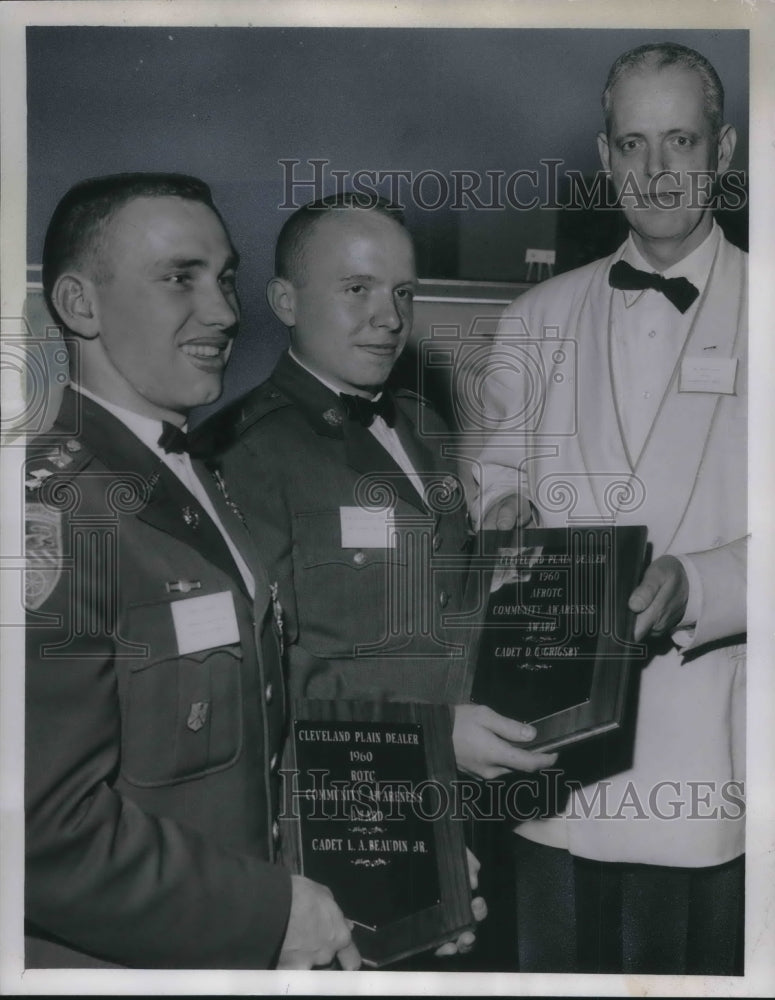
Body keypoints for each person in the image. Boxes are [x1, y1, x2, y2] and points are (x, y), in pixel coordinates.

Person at [198, 194, 558, 964]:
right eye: (356, 289)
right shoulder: (243, 453)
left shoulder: (418, 430)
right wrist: (432, 730)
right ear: (286, 301)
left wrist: (497, 570)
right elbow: (256, 682)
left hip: (448, 813)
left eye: (402, 291)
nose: (389, 317)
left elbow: (434, 610)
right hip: (331, 832)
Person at [24, 173, 359, 970]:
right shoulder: (52, 516)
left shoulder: (197, 478)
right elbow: (35, 827)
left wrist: (409, 860)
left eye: (226, 277)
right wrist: (270, 914)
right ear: (80, 305)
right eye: (180, 278)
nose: (224, 312)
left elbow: (258, 733)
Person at [473, 42, 747, 974]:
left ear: (724, 150)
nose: (657, 172)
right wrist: (501, 514)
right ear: (603, 160)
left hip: (720, 758)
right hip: (558, 762)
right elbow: (495, 475)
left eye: (680, 140)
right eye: (633, 145)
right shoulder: (535, 316)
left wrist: (698, 582)